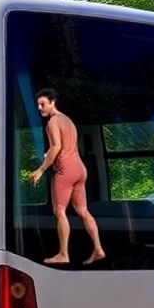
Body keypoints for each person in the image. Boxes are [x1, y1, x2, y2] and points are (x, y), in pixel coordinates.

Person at [27, 88, 106, 265]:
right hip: (79, 168)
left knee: (60, 211)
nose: (40, 108)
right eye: (38, 105)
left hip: (66, 170)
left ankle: (63, 253)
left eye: (43, 104)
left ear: (52, 102)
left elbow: (56, 147)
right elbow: (66, 146)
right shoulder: (68, 121)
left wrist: (40, 170)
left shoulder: (53, 122)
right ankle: (98, 249)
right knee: (83, 211)